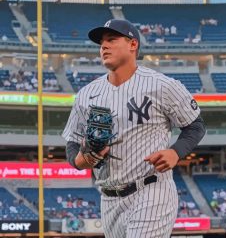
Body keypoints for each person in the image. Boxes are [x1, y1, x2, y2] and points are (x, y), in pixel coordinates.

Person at [63, 19, 206, 238]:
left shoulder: (162, 85)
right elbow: (72, 143)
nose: (104, 46)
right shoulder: (86, 94)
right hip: (108, 198)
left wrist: (175, 151)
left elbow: (195, 125)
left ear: (133, 45)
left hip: (150, 191)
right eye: (101, 42)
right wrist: (84, 159)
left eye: (111, 39)